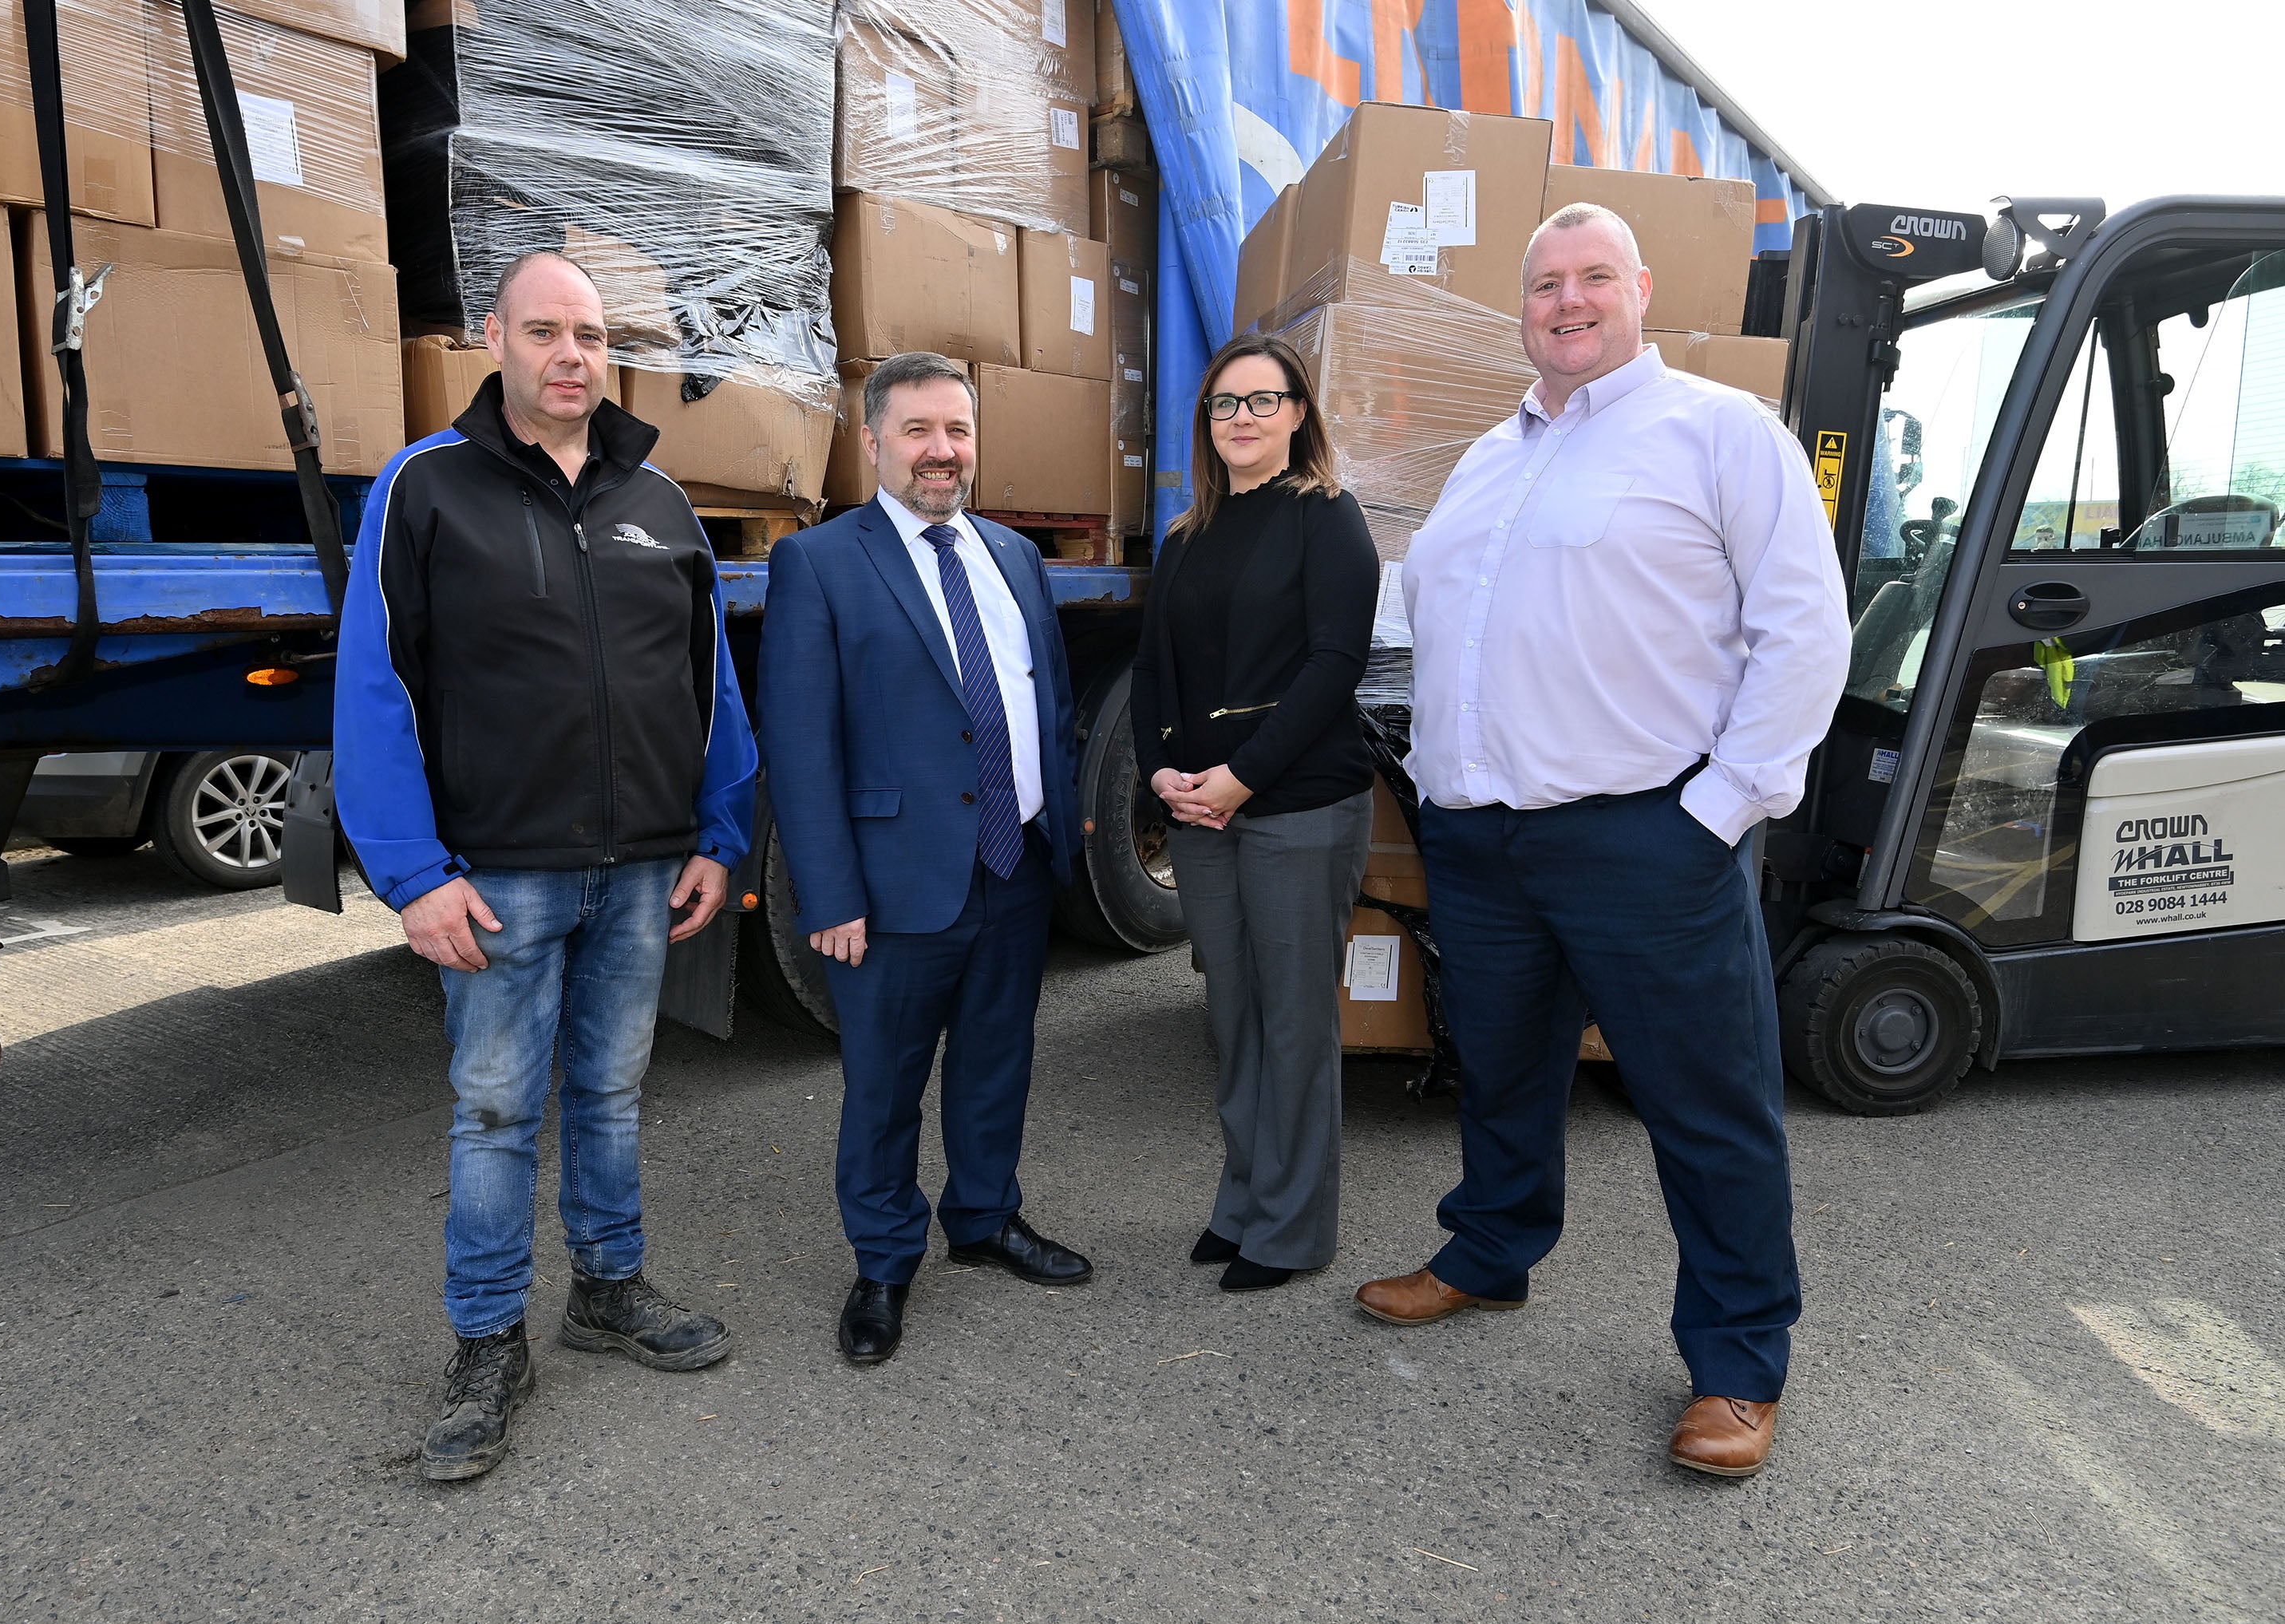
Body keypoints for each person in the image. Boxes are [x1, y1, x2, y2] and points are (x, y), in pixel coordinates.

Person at [1358, 203, 1852, 1477]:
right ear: (1520, 308)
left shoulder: (1720, 433)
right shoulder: (1485, 460)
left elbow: (1805, 628)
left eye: (1590, 278)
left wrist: (1721, 808)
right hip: (1482, 837)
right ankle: (1490, 1252)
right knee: (1504, 1069)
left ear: (1639, 287)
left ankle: (1740, 1358)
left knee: (1706, 1100)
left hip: (1648, 835)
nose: (1565, 302)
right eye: (1542, 285)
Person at [335, 251, 758, 1481]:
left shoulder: (662, 502)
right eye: (543, 331)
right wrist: (414, 873)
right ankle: (486, 1342)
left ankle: (609, 1287)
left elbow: (712, 682)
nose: (571, 354)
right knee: (497, 1110)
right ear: (494, 338)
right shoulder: (425, 488)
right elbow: (374, 689)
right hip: (499, 874)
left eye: (588, 333)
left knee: (615, 1094)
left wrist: (720, 833)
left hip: (640, 868)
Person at [760, 351, 1091, 1366]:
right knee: (884, 1086)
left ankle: (985, 1219)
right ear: (872, 442)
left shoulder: (1013, 555)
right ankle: (886, 1261)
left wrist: (1061, 830)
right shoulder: (820, 562)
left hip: (1013, 866)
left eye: (958, 431)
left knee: (998, 1062)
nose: (941, 452)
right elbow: (801, 745)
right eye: (918, 432)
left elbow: (1052, 704)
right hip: (894, 885)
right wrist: (829, 893)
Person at [1129, 332, 1378, 1292]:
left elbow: (1334, 666)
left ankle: (1294, 1225)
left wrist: (1241, 776)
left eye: (1262, 401)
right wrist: (1161, 772)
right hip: (1200, 815)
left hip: (1298, 806)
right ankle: (1243, 1199)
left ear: (1299, 413)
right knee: (1233, 1015)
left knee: (1294, 1020)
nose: (1242, 419)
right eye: (1225, 404)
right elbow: (1156, 670)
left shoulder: (1328, 519)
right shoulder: (1187, 537)